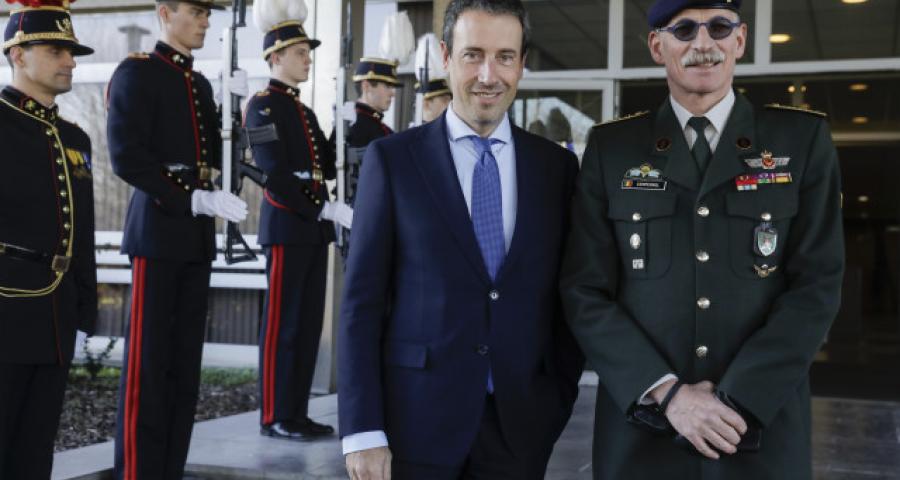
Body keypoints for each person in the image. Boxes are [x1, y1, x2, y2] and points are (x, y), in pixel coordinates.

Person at [559, 1, 845, 479]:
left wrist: (737, 398)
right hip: (645, 429)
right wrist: (670, 396)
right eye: (685, 29)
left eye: (719, 26)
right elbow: (584, 290)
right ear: (658, 46)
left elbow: (817, 285)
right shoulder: (612, 149)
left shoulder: (799, 141)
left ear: (740, 39)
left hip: (757, 426)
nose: (704, 43)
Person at [339, 1, 583, 478]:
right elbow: (360, 304)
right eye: (473, 55)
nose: (488, 75)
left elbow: (566, 295)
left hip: (519, 432)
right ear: (447, 57)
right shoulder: (392, 162)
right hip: (413, 426)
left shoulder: (555, 168)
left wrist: (555, 399)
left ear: (522, 63)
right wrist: (363, 430)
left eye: (504, 57)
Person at [106, 0, 249, 477]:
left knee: (184, 370)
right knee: (148, 368)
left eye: (209, 13)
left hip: (194, 235)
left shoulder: (200, 84)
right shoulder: (138, 73)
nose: (206, 20)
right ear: (165, 12)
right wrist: (190, 198)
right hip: (159, 229)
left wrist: (235, 114)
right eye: (197, 10)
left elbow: (224, 162)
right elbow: (127, 156)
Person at [245, 0, 352, 441]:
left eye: (308, 53)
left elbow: (324, 161)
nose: (308, 60)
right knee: (282, 326)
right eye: (301, 53)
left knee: (307, 327)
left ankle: (297, 411)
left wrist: (341, 124)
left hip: (310, 230)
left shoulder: (303, 111)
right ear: (275, 57)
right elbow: (274, 175)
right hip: (289, 226)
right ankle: (275, 415)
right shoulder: (263, 106)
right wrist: (320, 208)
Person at [0, 2, 96, 477]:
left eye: (71, 52)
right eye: (56, 51)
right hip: (5, 306)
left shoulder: (75, 138)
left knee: (37, 449)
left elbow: (84, 228)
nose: (70, 62)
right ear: (18, 55)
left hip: (56, 312)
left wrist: (85, 305)